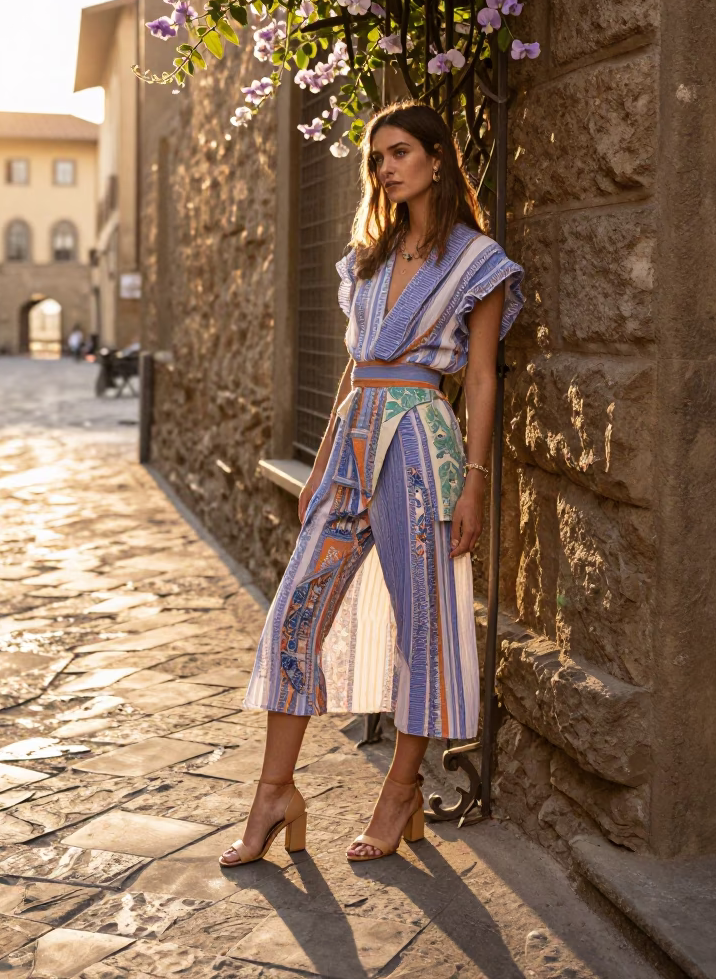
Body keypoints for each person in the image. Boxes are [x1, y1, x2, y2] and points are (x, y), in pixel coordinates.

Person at [220, 100, 525, 868]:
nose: (386, 168)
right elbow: (356, 368)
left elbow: (481, 379)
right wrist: (324, 459)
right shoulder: (369, 257)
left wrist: (474, 484)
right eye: (377, 159)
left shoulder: (478, 260)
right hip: (353, 443)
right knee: (294, 613)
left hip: (422, 445)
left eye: (399, 153)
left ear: (436, 158)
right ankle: (274, 793)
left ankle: (401, 791)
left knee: (424, 622)